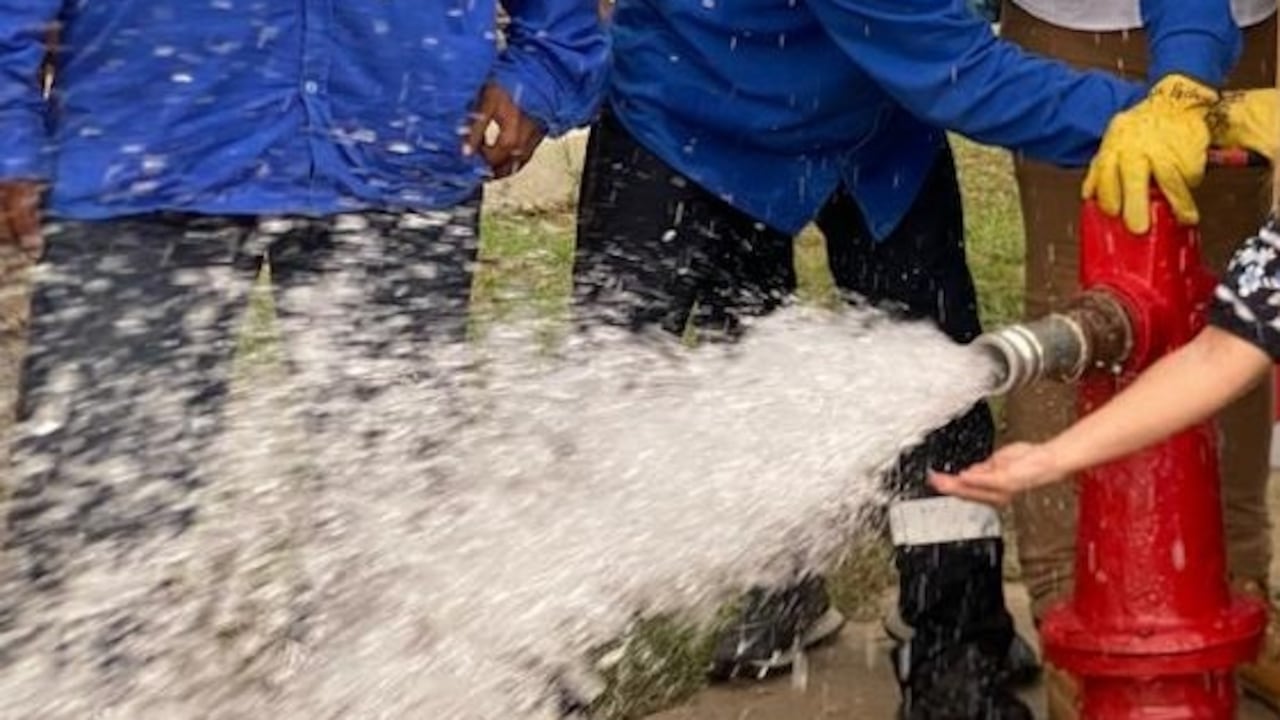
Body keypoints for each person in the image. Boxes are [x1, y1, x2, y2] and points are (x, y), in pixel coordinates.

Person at [573, 0, 1244, 717]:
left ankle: (955, 647)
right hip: (686, 120)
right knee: (607, 399)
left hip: (878, 126)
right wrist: (1181, 123)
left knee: (942, 407)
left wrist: (1185, 83)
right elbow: (962, 77)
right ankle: (547, 663)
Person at [0, 0, 606, 681]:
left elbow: (561, 19)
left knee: (391, 510)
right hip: (145, 162)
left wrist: (540, 68)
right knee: (98, 515)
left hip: (397, 160)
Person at [995, 1, 1280, 714]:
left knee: (1243, 306)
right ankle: (1072, 615)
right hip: (1080, 24)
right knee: (1079, 310)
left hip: (1248, 24)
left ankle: (1243, 594)